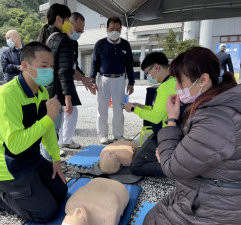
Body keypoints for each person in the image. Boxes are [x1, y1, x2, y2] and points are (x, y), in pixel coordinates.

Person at [144, 47, 241, 225]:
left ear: (203, 79)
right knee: (154, 213)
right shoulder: (222, 101)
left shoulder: (217, 119)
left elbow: (173, 167)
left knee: (152, 220)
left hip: (219, 203)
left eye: (180, 82)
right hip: (214, 189)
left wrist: (171, 120)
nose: (176, 88)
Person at [0, 42, 68, 222]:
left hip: (32, 158)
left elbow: (47, 130)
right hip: (8, 164)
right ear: (25, 65)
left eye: (51, 66)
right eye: (44, 66)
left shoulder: (42, 92)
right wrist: (48, 118)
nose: (49, 71)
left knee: (61, 192)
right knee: (46, 212)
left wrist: (55, 159)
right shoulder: (7, 96)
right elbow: (15, 145)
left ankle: (28, 187)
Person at [124, 52, 176, 177]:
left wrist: (133, 109)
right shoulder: (172, 82)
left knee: (137, 166)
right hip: (170, 131)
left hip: (167, 134)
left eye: (147, 72)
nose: (148, 76)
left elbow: (156, 117)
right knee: (140, 153)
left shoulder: (165, 87)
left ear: (157, 67)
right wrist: (141, 107)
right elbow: (160, 110)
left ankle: (176, 169)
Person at [37, 4, 79, 146]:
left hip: (43, 90)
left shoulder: (44, 37)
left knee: (45, 129)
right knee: (53, 131)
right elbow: (64, 71)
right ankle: (50, 165)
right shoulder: (63, 40)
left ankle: (46, 161)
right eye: (68, 19)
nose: (69, 23)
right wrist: (68, 98)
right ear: (59, 19)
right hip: (56, 92)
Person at [90, 16, 135, 144]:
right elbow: (94, 63)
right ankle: (103, 135)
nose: (114, 31)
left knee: (118, 109)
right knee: (102, 108)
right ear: (107, 29)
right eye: (111, 28)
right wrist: (92, 80)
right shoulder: (100, 44)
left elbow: (129, 65)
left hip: (120, 79)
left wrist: (131, 82)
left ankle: (118, 135)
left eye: (117, 29)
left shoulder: (125, 45)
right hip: (103, 79)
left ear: (121, 29)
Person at [58, 12, 93, 149]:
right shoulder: (60, 40)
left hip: (68, 79)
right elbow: (63, 68)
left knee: (72, 111)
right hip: (59, 80)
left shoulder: (74, 43)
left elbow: (74, 65)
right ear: (69, 25)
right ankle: (57, 145)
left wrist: (84, 78)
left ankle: (67, 140)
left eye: (82, 31)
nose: (80, 33)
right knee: (61, 111)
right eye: (78, 30)